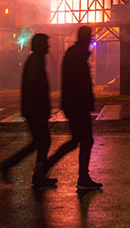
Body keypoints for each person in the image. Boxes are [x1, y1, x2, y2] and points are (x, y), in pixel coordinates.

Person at [44, 25, 102, 190]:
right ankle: (82, 178)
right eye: (90, 37)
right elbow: (80, 84)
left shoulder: (74, 54)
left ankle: (48, 167)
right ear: (85, 38)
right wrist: (86, 102)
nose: (91, 40)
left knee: (77, 141)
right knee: (84, 141)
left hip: (74, 105)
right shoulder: (78, 56)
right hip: (78, 105)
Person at [0, 33, 57, 187]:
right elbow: (36, 88)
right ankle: (28, 171)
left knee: (39, 142)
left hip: (34, 110)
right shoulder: (35, 61)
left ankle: (29, 171)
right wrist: (42, 108)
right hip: (35, 110)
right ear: (39, 45)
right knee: (42, 141)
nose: (48, 47)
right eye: (46, 43)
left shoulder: (35, 60)